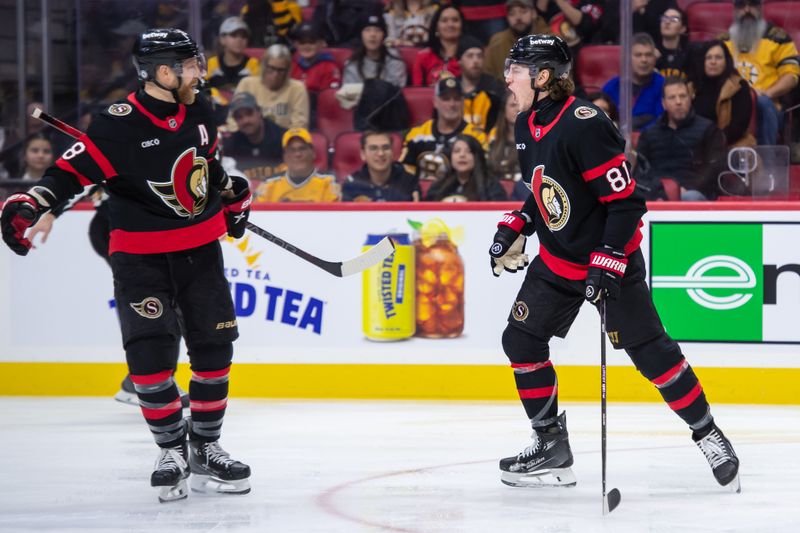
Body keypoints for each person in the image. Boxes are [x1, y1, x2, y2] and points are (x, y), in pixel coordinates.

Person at [0, 29, 252, 502]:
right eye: (192, 65)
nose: (201, 72)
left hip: (200, 250)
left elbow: (203, 162)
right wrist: (33, 203)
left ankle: (206, 446)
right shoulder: (115, 124)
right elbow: (68, 173)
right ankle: (171, 450)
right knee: (150, 358)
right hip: (140, 257)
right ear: (163, 72)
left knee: (214, 350)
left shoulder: (201, 108)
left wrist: (230, 194)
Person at [490, 35, 739, 491]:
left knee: (654, 357)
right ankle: (550, 445)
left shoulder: (585, 124)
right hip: (558, 262)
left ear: (542, 78)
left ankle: (708, 433)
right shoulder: (526, 123)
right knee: (520, 342)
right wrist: (516, 224)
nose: (507, 77)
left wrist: (606, 262)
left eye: (517, 69)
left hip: (612, 261)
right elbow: (544, 190)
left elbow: (626, 204)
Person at [636, 77, 726, 201]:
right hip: (658, 194)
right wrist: (658, 192)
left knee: (690, 197)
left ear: (690, 99)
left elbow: (714, 169)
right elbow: (642, 173)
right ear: (664, 103)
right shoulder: (648, 134)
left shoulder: (709, 129)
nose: (678, 102)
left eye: (683, 96)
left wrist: (689, 189)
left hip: (695, 193)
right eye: (672, 98)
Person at [724, 0, 800, 145]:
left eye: (752, 4)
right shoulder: (723, 41)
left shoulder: (779, 38)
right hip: (730, 105)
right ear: (734, 9)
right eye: (741, 5)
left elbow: (791, 76)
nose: (747, 10)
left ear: (760, 8)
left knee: (762, 102)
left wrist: (766, 93)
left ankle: (767, 160)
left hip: (768, 104)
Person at [400, 76, 487, 180]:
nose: (452, 104)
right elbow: (405, 174)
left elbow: (481, 176)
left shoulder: (477, 137)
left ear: (463, 103)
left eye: (457, 99)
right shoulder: (417, 135)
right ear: (435, 102)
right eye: (446, 99)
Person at [689, 40, 756, 148]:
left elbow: (738, 127)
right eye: (708, 58)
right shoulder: (691, 87)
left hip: (728, 144)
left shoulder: (738, 86)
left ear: (726, 61)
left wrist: (713, 141)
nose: (713, 62)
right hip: (694, 144)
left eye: (718, 57)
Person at [235, 43, 310, 129]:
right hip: (248, 138)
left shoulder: (297, 88)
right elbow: (234, 120)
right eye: (271, 68)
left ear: (288, 70)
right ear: (263, 66)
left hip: (284, 139)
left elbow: (299, 125)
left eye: (281, 70)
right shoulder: (247, 84)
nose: (275, 74)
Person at [255, 128, 340, 202]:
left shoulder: (328, 182)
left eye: (302, 149)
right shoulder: (270, 184)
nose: (297, 154)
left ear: (313, 153)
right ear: (285, 156)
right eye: (292, 150)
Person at [603, 32, 665, 131]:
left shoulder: (663, 85)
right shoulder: (612, 87)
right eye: (638, 55)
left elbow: (662, 122)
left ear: (654, 59)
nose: (644, 60)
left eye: (648, 55)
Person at [223, 92, 287, 181]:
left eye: (249, 113)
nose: (245, 120)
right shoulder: (231, 144)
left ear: (259, 112)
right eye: (239, 117)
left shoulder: (282, 138)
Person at [425, 134, 507, 201]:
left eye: (468, 151)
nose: (462, 155)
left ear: (477, 157)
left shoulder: (491, 186)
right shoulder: (439, 186)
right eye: (457, 151)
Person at [342, 131, 420, 201]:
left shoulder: (410, 182)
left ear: (392, 152)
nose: (381, 153)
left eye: (385, 148)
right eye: (373, 148)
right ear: (363, 154)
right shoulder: (352, 185)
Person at [485, 0, 549, 82]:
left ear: (533, 13)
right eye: (512, 14)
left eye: (523, 12)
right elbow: (487, 77)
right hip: (505, 92)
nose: (518, 17)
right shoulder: (497, 42)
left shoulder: (549, 40)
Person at [343, 14, 408, 88]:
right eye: (367, 30)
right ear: (361, 35)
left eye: (378, 30)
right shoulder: (352, 64)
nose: (373, 34)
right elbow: (350, 94)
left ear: (384, 35)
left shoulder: (395, 61)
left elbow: (394, 92)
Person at [458, 36, 505, 134]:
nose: (476, 61)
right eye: (470, 56)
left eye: (480, 56)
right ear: (459, 61)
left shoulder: (495, 87)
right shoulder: (452, 89)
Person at [205, 17, 260, 97]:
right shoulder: (211, 64)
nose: (239, 40)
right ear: (222, 39)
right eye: (234, 35)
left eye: (244, 36)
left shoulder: (254, 64)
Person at [411, 5, 463, 86]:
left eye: (455, 20)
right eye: (444, 20)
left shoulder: (470, 54)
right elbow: (418, 91)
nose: (450, 24)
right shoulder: (423, 56)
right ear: (436, 27)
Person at [290, 22, 342, 93]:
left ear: (322, 44)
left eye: (311, 42)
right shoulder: (292, 64)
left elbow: (329, 96)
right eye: (302, 42)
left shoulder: (329, 67)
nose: (306, 46)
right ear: (296, 45)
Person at [488, 91, 523, 183]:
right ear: (504, 110)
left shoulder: (534, 140)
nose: (518, 109)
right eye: (513, 105)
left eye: (520, 104)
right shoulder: (492, 140)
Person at [655, 7, 691, 79]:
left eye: (674, 19)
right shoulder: (651, 53)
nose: (667, 22)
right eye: (664, 18)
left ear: (683, 29)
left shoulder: (690, 54)